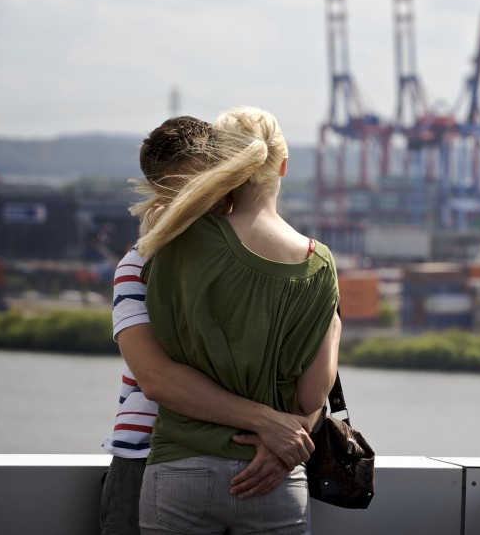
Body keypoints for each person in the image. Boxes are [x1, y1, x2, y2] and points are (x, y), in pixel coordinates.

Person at [100, 116, 319, 535]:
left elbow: (300, 374)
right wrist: (269, 425)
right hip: (148, 458)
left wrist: (286, 442)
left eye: (211, 183)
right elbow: (156, 379)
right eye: (182, 189)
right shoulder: (141, 264)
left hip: (251, 462)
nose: (203, 199)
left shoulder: (272, 262)